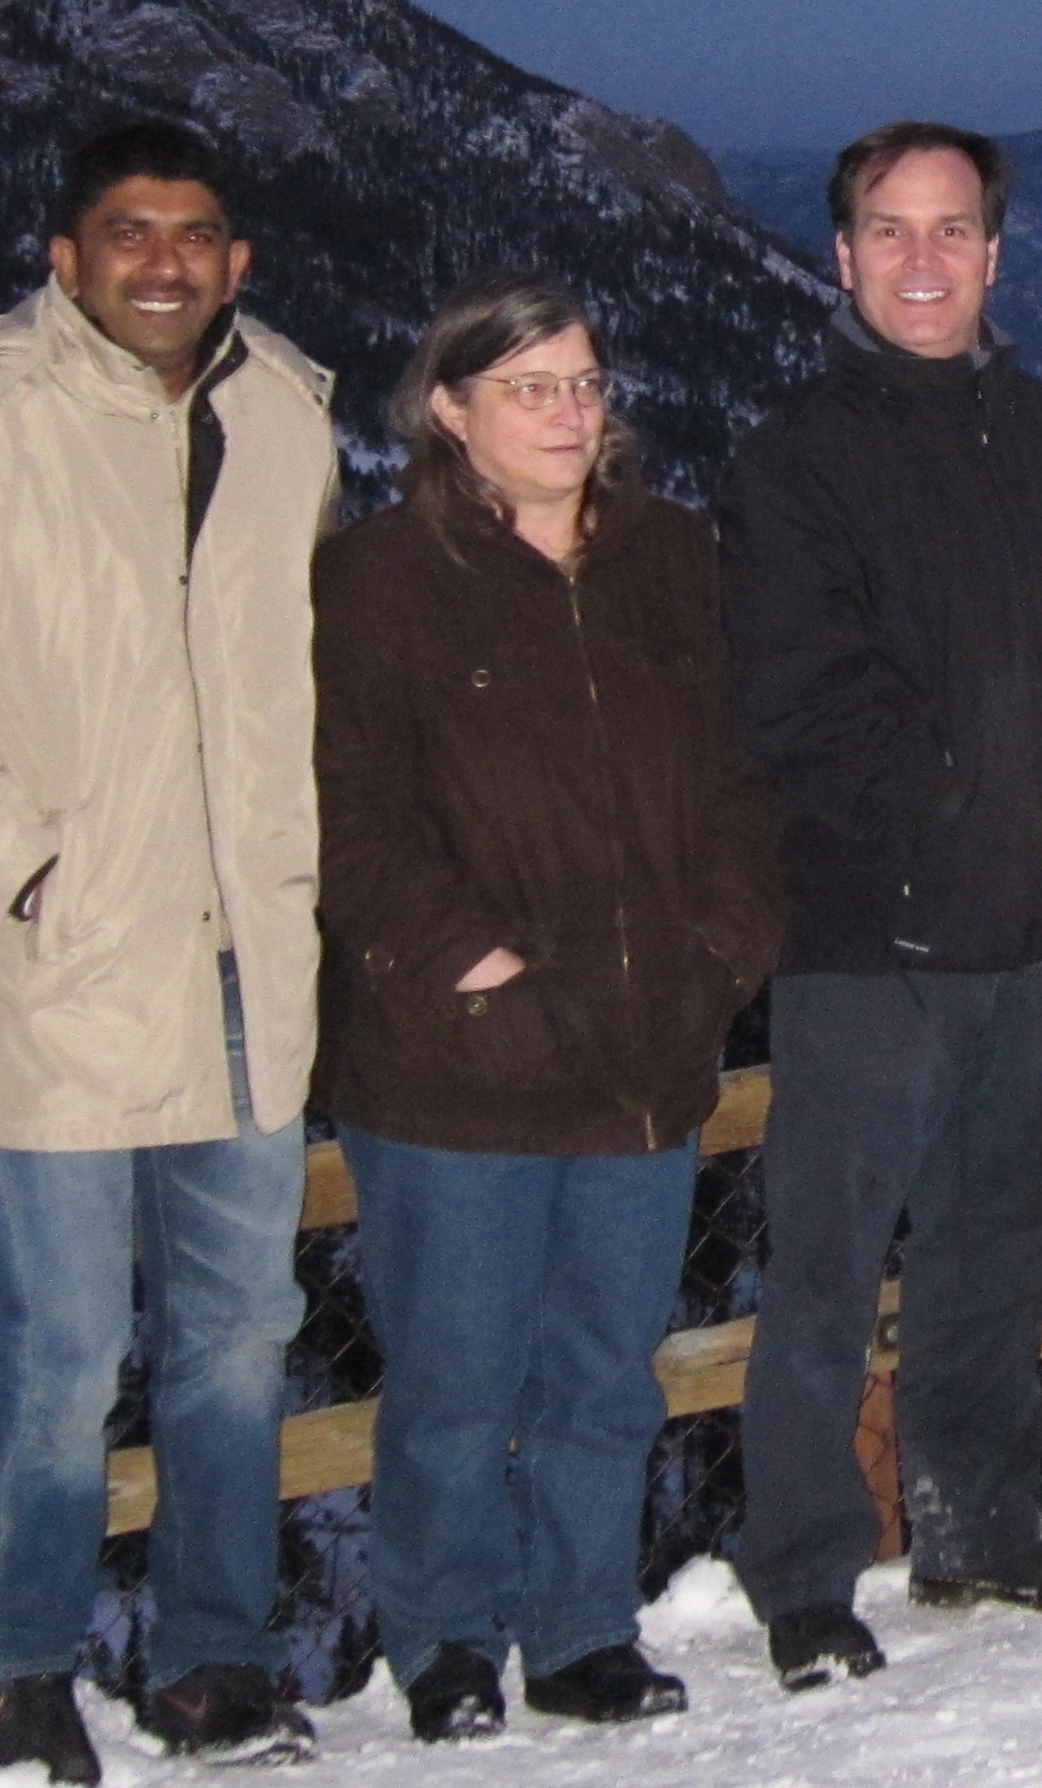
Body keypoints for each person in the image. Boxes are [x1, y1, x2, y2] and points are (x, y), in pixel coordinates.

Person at [0, 120, 338, 1782]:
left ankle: (210, 1659)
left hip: (250, 961)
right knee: (61, 1346)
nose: (164, 262)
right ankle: (19, 1648)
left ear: (237, 262)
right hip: (73, 972)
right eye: (129, 232)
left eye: (194, 234)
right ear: (66, 257)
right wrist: (35, 872)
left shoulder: (285, 418)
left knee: (239, 1332)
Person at [314, 274, 781, 1738]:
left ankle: (583, 1630)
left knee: (604, 1373)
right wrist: (475, 969)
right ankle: (445, 1641)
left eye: (584, 384)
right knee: (454, 1376)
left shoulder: (672, 556)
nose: (568, 414)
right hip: (457, 1059)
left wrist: (721, 952)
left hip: (645, 1048)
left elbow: (743, 775)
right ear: (450, 411)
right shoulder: (378, 578)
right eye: (528, 388)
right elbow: (346, 811)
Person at [719, 124, 1042, 1687]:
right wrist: (961, 812)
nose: (922, 260)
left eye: (952, 231)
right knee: (829, 1272)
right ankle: (805, 1573)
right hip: (869, 935)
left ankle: (978, 1524)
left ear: (995, 255)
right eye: (890, 231)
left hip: (1027, 929)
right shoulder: (797, 454)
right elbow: (799, 699)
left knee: (994, 1252)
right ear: (842, 256)